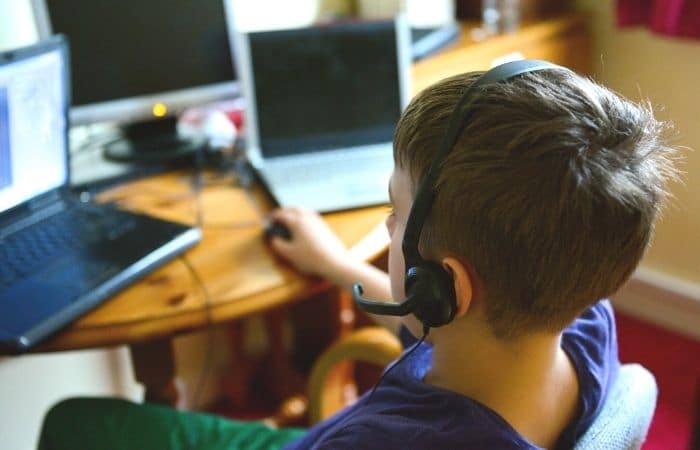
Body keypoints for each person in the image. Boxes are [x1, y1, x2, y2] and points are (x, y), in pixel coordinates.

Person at [38, 63, 678, 450]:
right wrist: (340, 268)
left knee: (76, 425)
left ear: (442, 285)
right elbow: (448, 324)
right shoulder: (584, 321)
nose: (387, 223)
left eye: (396, 213)